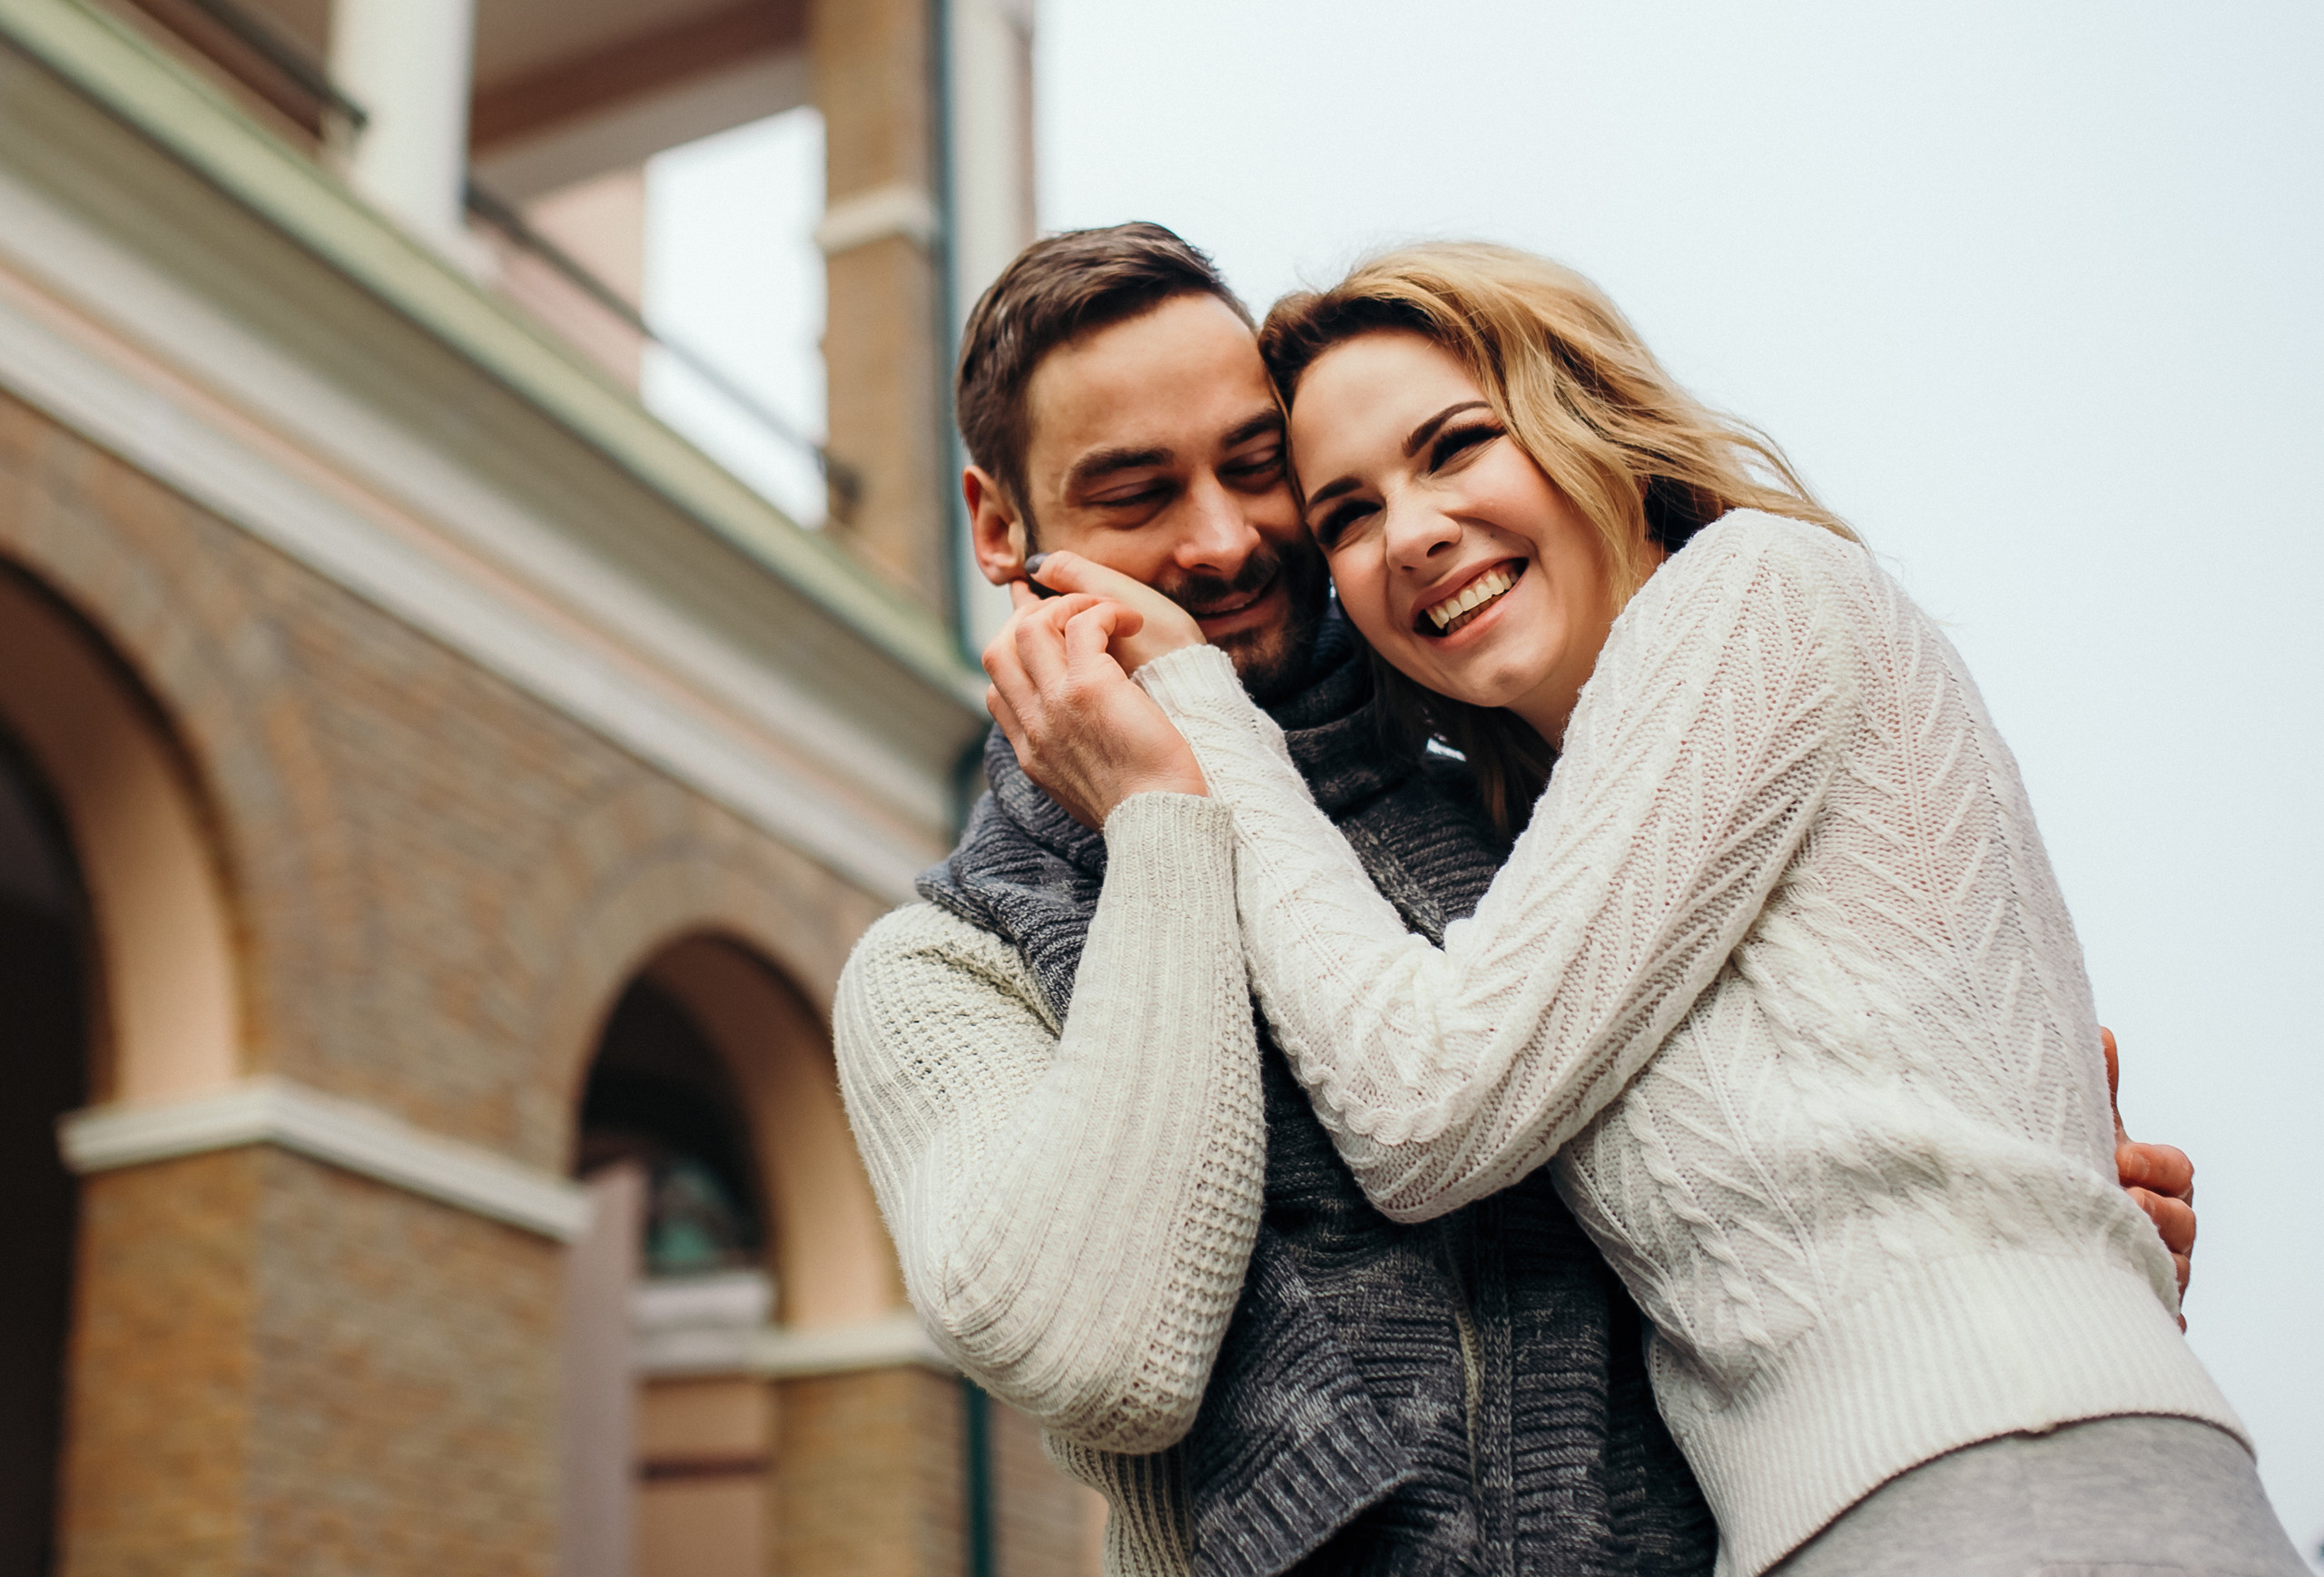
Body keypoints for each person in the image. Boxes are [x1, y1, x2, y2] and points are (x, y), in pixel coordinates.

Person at [836, 223, 2201, 1577]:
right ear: (1001, 526)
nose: (1222, 540)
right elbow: (1103, 1353)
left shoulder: (1529, 797)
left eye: (1261, 473)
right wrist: (1163, 822)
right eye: (1135, 492)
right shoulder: (945, 968)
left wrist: (2035, 1202)